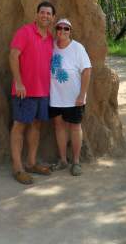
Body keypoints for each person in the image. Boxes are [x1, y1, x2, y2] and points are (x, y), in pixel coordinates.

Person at [9, 1, 56, 184]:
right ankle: (18, 168)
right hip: (24, 91)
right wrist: (19, 83)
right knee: (19, 126)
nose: (45, 16)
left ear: (52, 18)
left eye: (48, 13)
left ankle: (31, 163)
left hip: (43, 91)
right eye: (42, 12)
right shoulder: (25, 32)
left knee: (36, 126)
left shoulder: (51, 39)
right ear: (36, 15)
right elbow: (13, 56)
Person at [49, 18, 92, 176]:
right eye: (59, 28)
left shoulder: (77, 48)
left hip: (74, 98)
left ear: (70, 31)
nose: (62, 31)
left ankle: (76, 162)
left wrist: (82, 94)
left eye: (66, 28)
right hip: (55, 97)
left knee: (75, 127)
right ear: (56, 30)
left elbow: (87, 70)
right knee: (59, 127)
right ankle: (62, 160)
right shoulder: (51, 46)